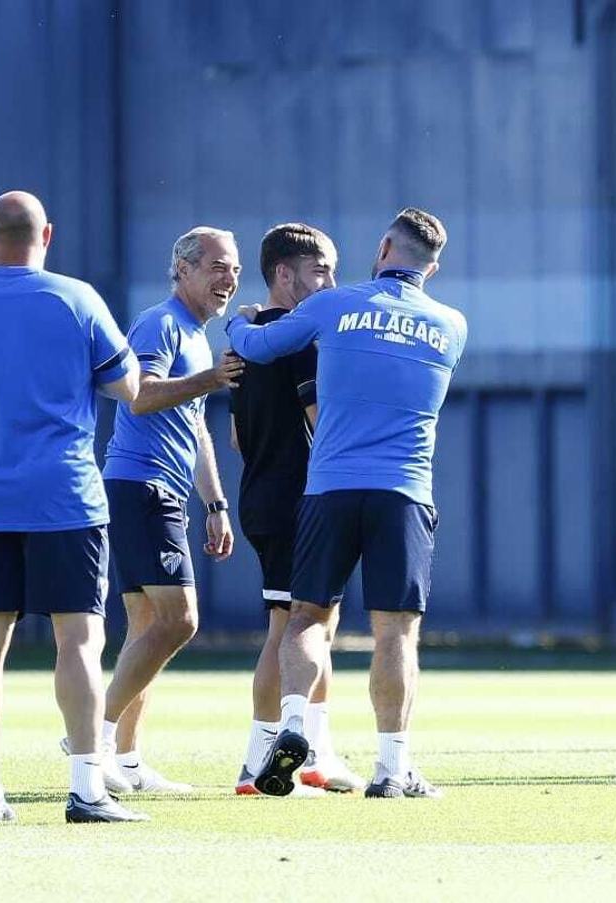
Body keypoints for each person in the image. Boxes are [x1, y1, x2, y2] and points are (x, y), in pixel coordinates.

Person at [229, 208, 467, 799]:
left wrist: (236, 324)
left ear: (383, 246)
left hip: (330, 486)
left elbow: (259, 347)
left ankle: (291, 729)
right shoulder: (452, 324)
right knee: (396, 633)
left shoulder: (335, 305)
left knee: (307, 618)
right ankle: (393, 769)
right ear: (432, 267)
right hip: (405, 492)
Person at [0, 191, 145, 822]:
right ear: (47, 233)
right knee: (78, 639)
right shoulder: (76, 298)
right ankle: (85, 787)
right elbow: (127, 388)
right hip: (66, 496)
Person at [86, 227, 245, 794]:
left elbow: (195, 423)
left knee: (148, 625)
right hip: (140, 486)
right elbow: (142, 394)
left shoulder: (198, 335)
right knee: (181, 620)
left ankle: (124, 758)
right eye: (216, 266)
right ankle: (93, 735)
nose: (228, 278)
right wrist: (209, 378)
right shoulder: (161, 323)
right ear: (182, 269)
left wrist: (217, 503)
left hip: (166, 490)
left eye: (234, 269)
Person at [228, 223, 365, 795]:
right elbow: (319, 421)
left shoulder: (246, 335)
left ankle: (316, 753)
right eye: (320, 271)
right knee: (293, 627)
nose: (331, 282)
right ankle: (258, 761)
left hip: (263, 490)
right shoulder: (297, 337)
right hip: (297, 498)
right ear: (284, 274)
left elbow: (238, 438)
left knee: (314, 625)